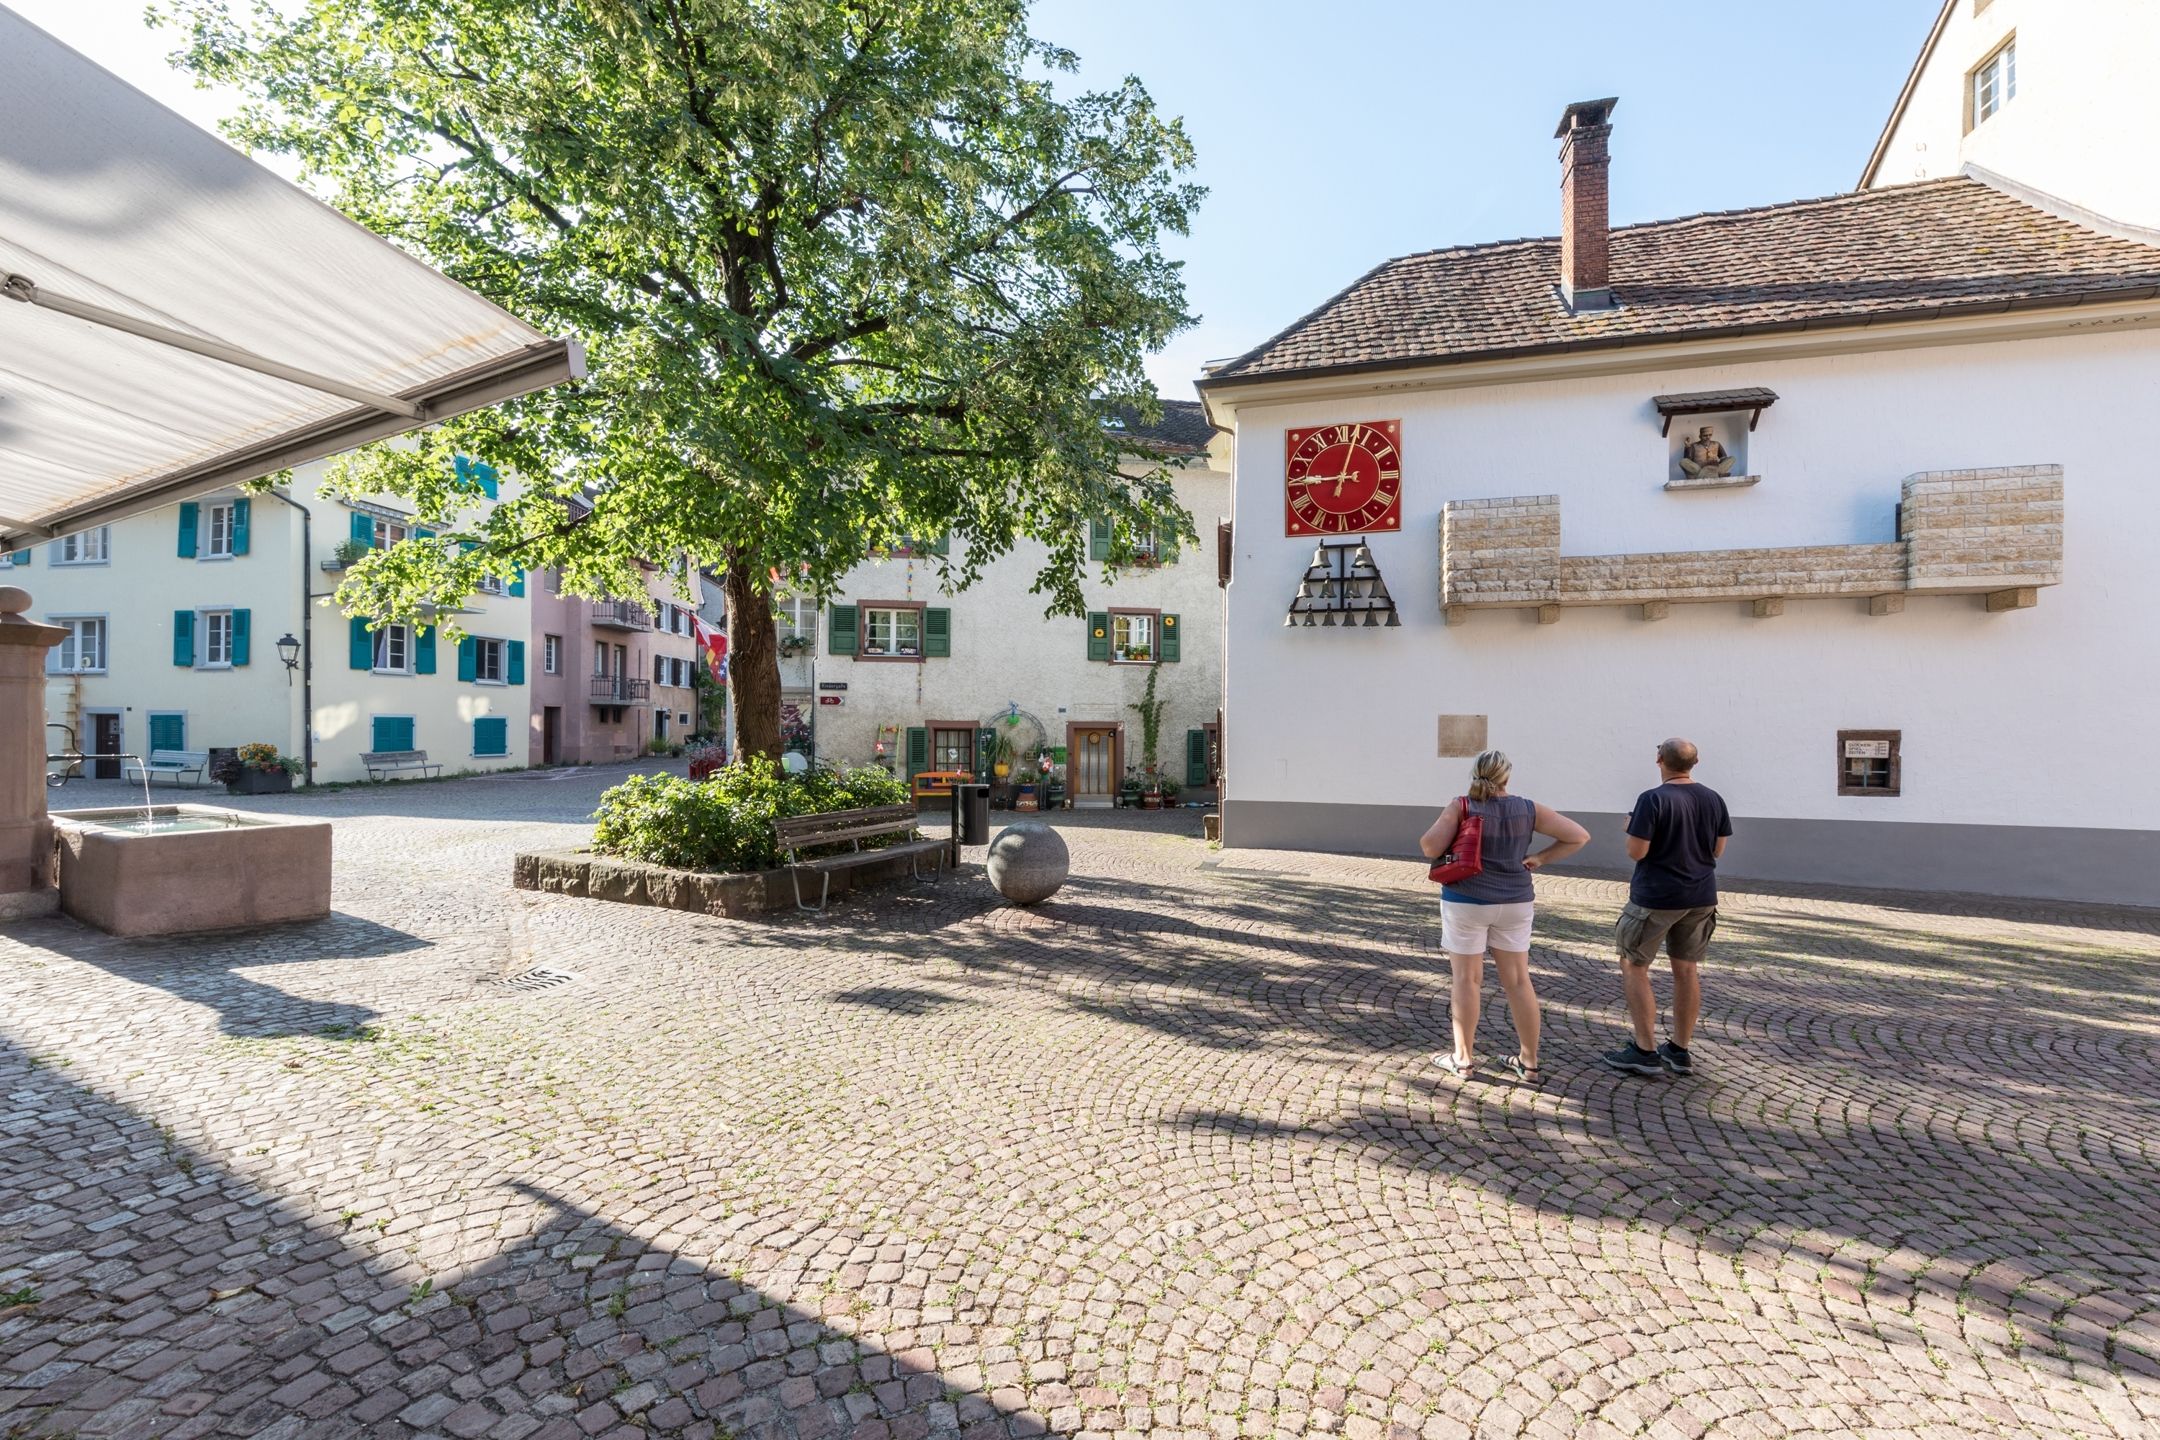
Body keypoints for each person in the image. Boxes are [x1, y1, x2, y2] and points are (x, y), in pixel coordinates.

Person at [1420, 750, 1591, 1082]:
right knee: (1518, 981)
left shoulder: (1463, 805)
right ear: (1506, 777)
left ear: (1475, 775)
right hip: (1515, 902)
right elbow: (1579, 836)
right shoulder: (1528, 809)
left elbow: (1429, 847)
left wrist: (1454, 821)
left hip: (1465, 899)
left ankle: (1464, 1060)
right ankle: (1529, 1063)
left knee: (1466, 980)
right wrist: (1540, 858)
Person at [1605, 737, 1733, 1077]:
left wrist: (1630, 828)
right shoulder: (1714, 799)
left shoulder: (1652, 799)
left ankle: (1645, 1049)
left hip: (1656, 897)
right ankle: (1679, 1048)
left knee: (1634, 966)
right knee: (1687, 971)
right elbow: (1717, 851)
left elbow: (1637, 851)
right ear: (1696, 762)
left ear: (1659, 759)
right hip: (1701, 896)